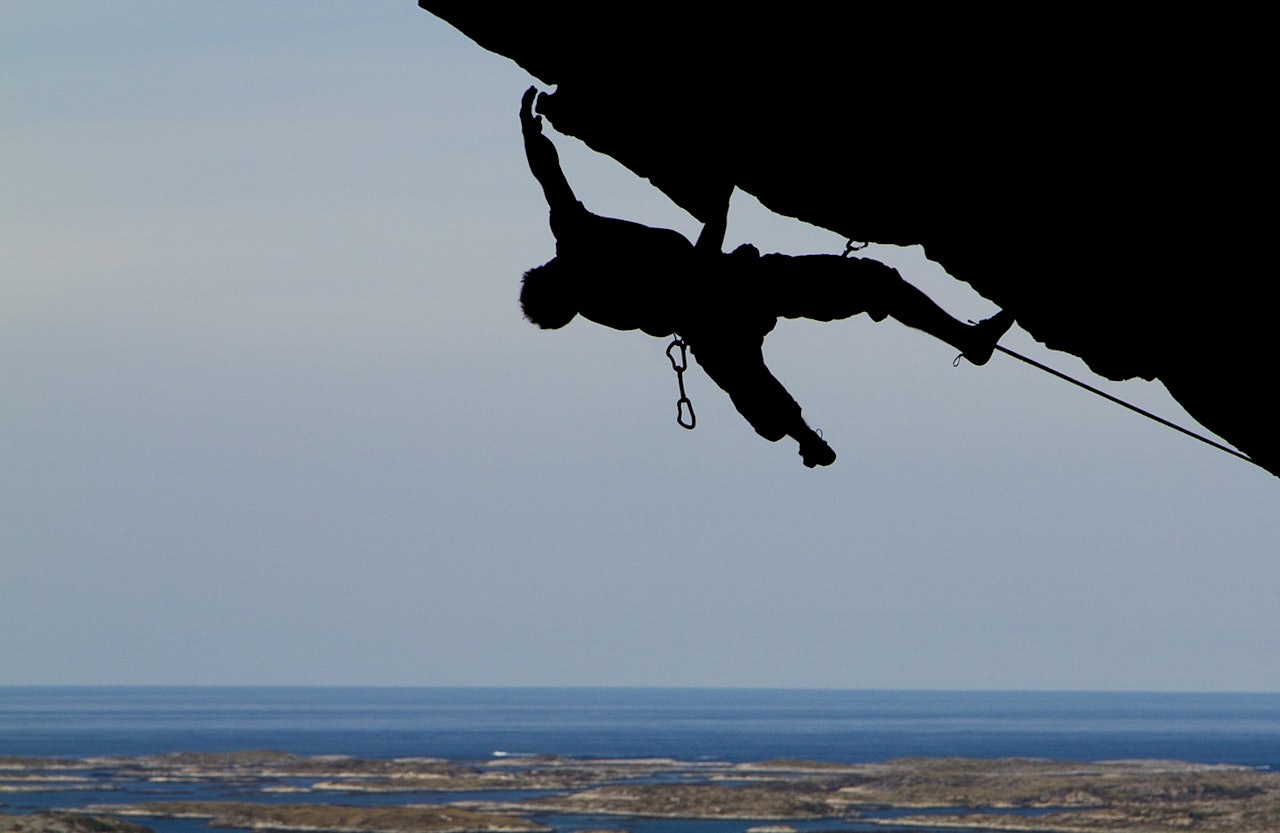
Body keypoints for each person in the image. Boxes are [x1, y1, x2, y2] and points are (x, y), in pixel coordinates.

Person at [517, 87, 1013, 467]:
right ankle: (957, 344)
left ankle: (959, 346)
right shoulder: (594, 281)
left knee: (771, 366)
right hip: (726, 295)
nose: (577, 306)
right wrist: (718, 213)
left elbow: (550, 178)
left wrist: (531, 134)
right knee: (862, 290)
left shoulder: (579, 252)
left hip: (723, 302)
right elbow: (691, 284)